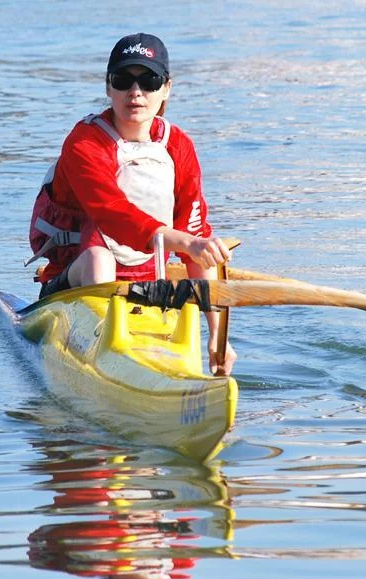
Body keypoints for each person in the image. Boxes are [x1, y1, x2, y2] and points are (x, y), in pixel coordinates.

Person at [29, 33, 236, 375]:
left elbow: (195, 237)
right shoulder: (84, 142)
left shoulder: (179, 146)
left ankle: (145, 357)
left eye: (149, 80)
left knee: (202, 248)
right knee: (99, 258)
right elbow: (113, 215)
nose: (135, 92)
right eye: (123, 80)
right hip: (78, 281)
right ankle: (99, 358)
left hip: (148, 284)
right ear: (108, 87)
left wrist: (218, 335)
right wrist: (188, 243)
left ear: (166, 89)